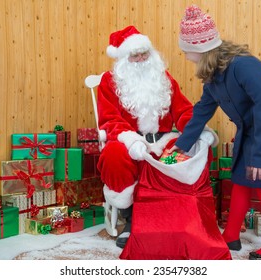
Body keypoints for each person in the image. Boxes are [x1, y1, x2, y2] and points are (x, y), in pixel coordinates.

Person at [168, 4, 261, 260]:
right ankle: (231, 235)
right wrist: (183, 143)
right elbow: (202, 109)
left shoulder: (244, 66)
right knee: (242, 180)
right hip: (254, 129)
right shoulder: (213, 75)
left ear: (199, 49)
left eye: (186, 50)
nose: (185, 55)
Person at [97, 25, 198, 249]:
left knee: (183, 147)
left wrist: (194, 129)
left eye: (145, 53)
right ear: (124, 58)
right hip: (128, 138)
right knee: (114, 154)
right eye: (135, 55)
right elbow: (109, 119)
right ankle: (132, 219)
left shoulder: (163, 79)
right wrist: (132, 140)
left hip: (162, 139)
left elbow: (183, 111)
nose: (142, 58)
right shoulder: (109, 81)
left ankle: (171, 217)